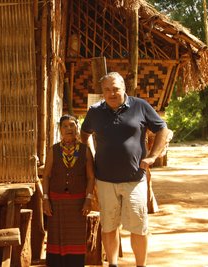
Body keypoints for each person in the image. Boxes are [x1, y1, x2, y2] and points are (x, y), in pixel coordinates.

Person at [80, 72, 169, 267]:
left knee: (138, 227)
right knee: (109, 226)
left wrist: (153, 156)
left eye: (116, 89)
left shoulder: (140, 106)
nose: (112, 93)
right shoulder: (95, 111)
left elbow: (162, 129)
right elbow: (84, 133)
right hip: (104, 180)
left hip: (134, 180)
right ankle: (112, 264)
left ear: (124, 88)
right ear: (102, 92)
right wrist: (91, 155)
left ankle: (140, 265)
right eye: (107, 90)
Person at [42, 114, 95, 267]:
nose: (68, 129)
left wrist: (88, 199)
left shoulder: (85, 150)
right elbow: (46, 176)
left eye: (72, 125)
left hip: (78, 202)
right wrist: (45, 199)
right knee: (55, 237)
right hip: (56, 201)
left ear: (77, 128)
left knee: (76, 237)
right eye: (65, 126)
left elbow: (91, 178)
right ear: (60, 130)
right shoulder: (54, 150)